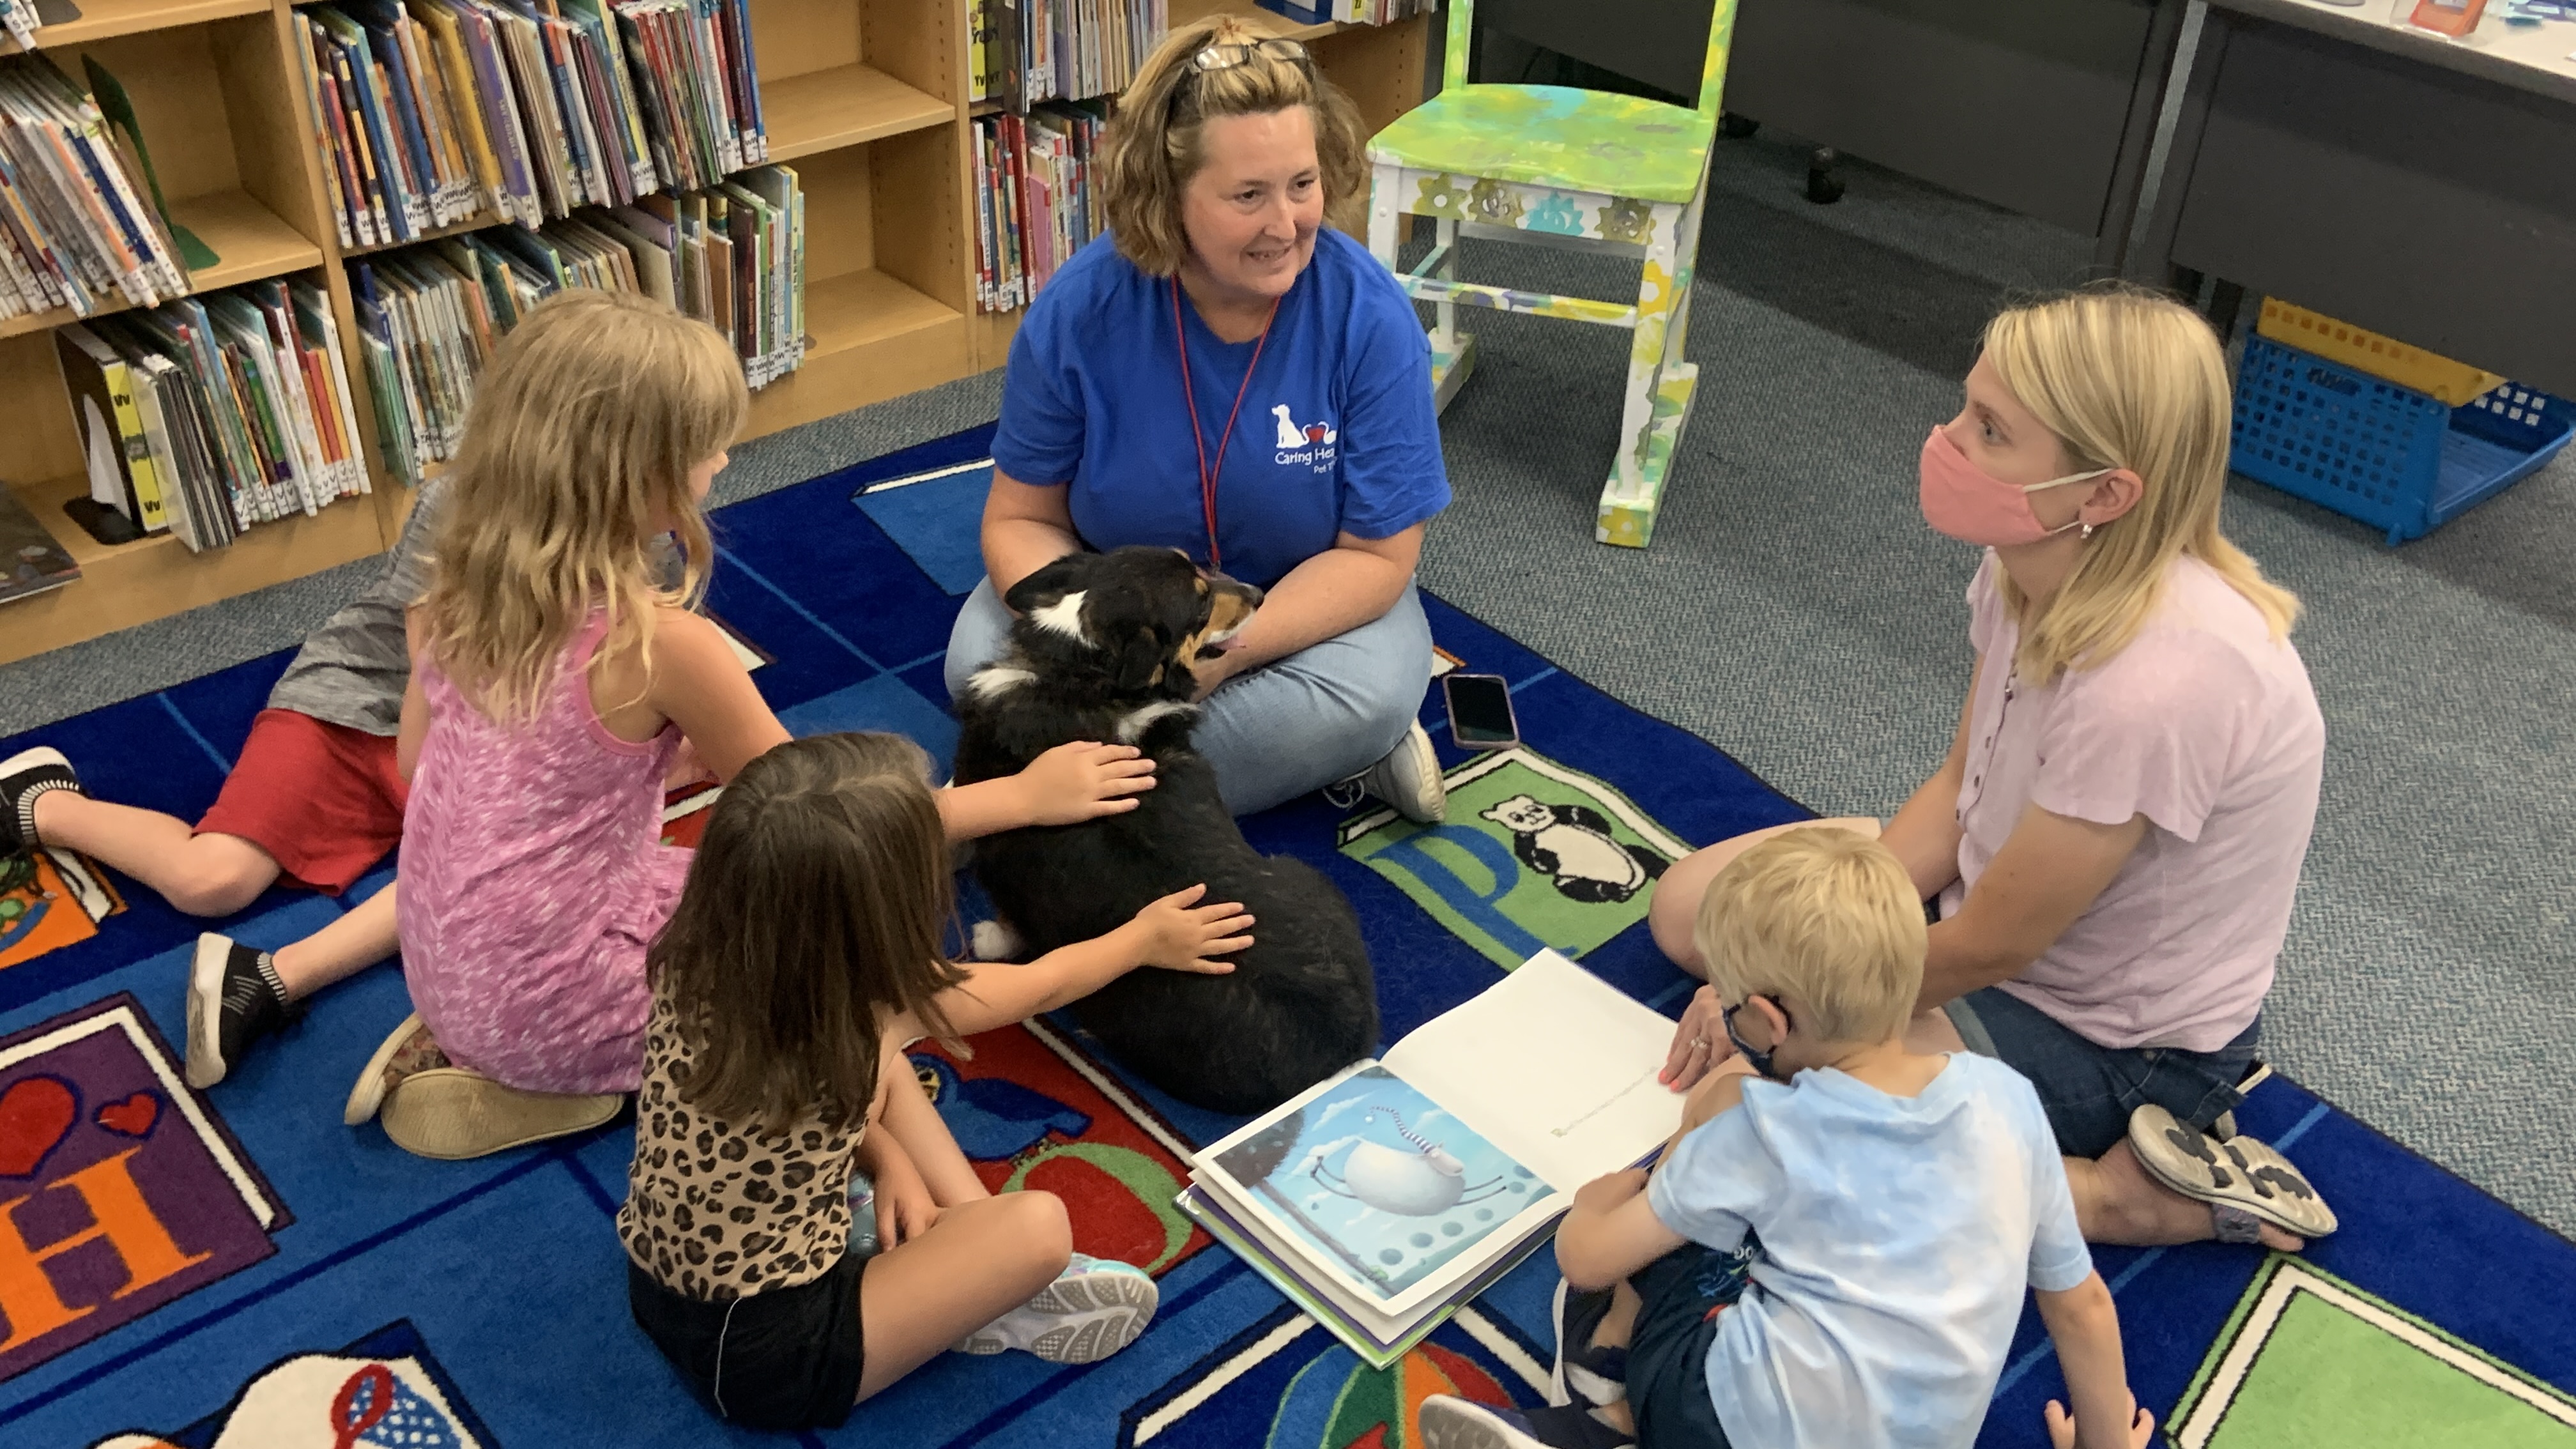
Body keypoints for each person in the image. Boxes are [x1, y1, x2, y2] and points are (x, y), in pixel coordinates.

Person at [365, 289, 1158, 1160]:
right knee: (844, 974)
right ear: (639, 472)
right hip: (551, 990)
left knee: (713, 880)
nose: (726, 457)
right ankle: (554, 1074)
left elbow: (419, 767)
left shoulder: (449, 595)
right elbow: (823, 820)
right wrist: (1023, 796)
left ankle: (490, 1032)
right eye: (708, 443)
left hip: (444, 949)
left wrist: (606, 778)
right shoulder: (664, 643)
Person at [1650, 284, 2336, 1252]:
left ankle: (2115, 1198)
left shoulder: (2158, 683)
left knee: (1809, 1102)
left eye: (1990, 430)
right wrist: (1801, 950)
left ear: (2103, 494)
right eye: (1967, 407)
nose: (1948, 441)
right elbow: (1959, 785)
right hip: (1994, 906)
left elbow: (1997, 946)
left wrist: (1788, 1004)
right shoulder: (2030, 558)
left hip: (2111, 1040)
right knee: (1692, 913)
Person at [1418, 829, 2154, 1449]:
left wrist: (1594, 1202)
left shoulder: (1762, 1129)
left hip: (1725, 1422)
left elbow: (1586, 1258)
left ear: (1770, 1023)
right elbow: (2082, 1305)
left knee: (1673, 1227)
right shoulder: (2009, 1101)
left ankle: (1603, 1413)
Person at [621, 731, 1253, 1432]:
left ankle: (932, 1245)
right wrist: (1145, 939)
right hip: (768, 1361)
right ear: (880, 910)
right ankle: (989, 1293)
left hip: (661, 1287)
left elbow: (793, 1116)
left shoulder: (697, 953)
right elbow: (1042, 985)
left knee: (886, 1070)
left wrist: (887, 1158)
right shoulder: (883, 1008)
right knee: (1040, 1232)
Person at [944, 17, 1453, 822]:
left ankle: (1047, 798)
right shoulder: (1081, 309)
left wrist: (1227, 652)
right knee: (971, 656)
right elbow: (1021, 519)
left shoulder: (1372, 320)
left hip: (1301, 617)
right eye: (1248, 195)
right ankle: (1214, 782)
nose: (1287, 226)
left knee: (1375, 690)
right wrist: (1092, 640)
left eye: (1303, 183)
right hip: (1126, 619)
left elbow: (1377, 561)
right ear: (1167, 195)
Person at [0, 480, 459, 1091]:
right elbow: (427, 696)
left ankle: (269, 977)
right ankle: (38, 800)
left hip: (487, 739)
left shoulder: (632, 543)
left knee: (481, 866)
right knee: (212, 880)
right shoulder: (460, 501)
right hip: (362, 709)